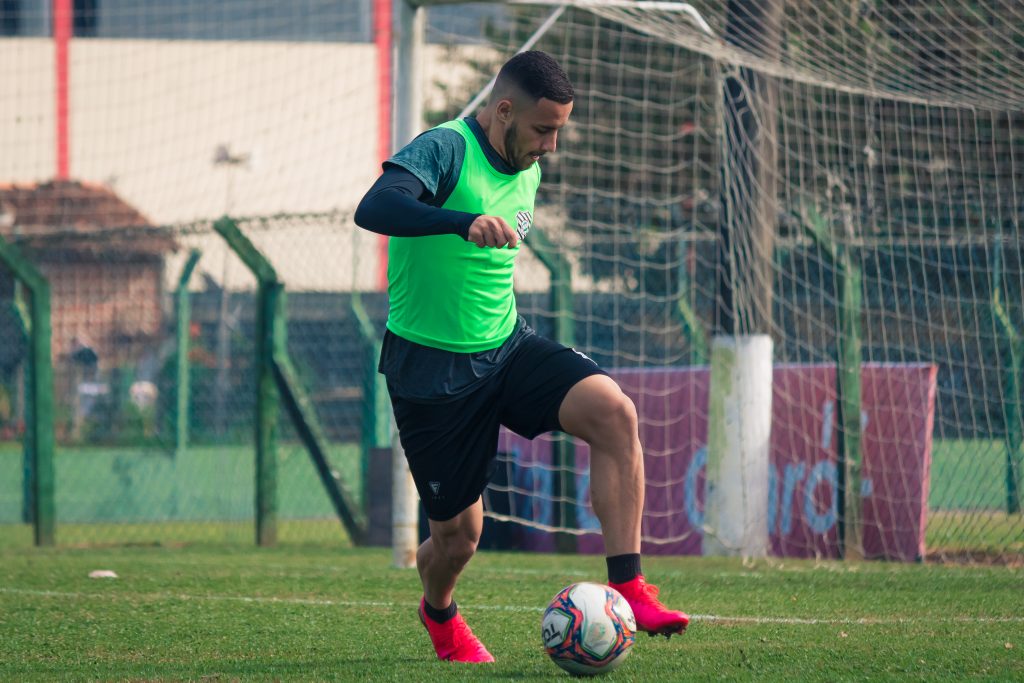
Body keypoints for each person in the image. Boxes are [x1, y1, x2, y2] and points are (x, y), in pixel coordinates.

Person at [354, 50, 689, 664]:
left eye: (560, 129)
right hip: (433, 372)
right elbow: (374, 207)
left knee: (614, 412)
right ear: (503, 111)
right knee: (457, 540)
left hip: (507, 348)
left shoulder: (529, 164)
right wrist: (459, 221)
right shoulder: (445, 147)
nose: (552, 145)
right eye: (543, 129)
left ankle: (630, 587)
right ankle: (440, 614)